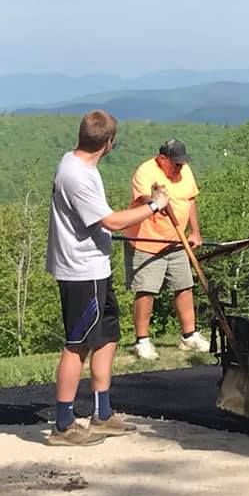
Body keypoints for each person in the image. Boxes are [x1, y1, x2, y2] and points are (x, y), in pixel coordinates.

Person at [46, 109, 170, 446]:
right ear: (109, 143)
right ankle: (63, 424)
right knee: (78, 344)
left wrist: (143, 203)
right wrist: (156, 205)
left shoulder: (79, 164)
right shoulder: (79, 176)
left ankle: (101, 413)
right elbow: (112, 222)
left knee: (106, 336)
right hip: (80, 271)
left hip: (96, 267)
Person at [124, 139, 211, 360]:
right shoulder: (146, 172)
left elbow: (190, 201)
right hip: (147, 241)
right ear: (162, 159)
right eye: (175, 164)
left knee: (184, 286)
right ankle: (142, 341)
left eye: (182, 163)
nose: (179, 168)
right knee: (146, 290)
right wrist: (158, 201)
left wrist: (195, 232)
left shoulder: (185, 171)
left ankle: (189, 336)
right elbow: (147, 199)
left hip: (176, 241)